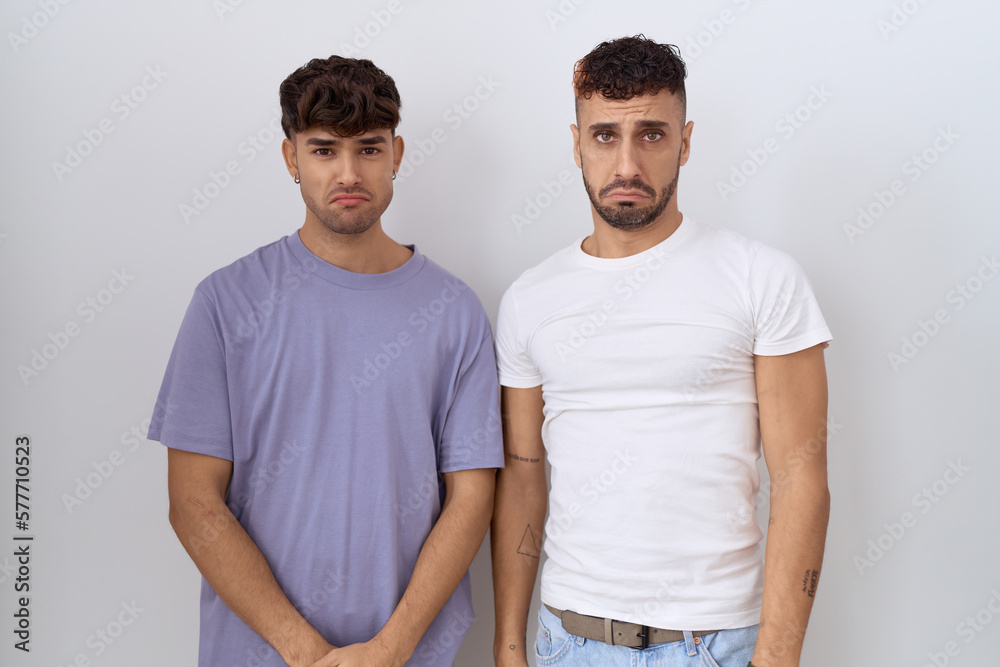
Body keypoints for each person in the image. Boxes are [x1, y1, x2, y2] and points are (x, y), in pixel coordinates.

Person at [149, 56, 503, 667]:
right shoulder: (225, 303)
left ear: (396, 154)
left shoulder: (455, 311)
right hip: (258, 654)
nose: (348, 173)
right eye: (323, 150)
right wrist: (305, 651)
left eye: (368, 149)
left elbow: (471, 497)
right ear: (291, 158)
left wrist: (391, 649)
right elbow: (192, 502)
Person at [491, 36, 832, 667]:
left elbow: (800, 478)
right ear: (576, 144)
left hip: (714, 644)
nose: (626, 164)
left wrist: (778, 655)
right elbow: (522, 478)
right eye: (603, 136)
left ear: (686, 140)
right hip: (566, 640)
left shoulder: (760, 277)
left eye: (651, 134)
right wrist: (509, 643)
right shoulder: (529, 300)